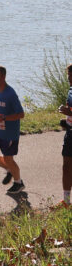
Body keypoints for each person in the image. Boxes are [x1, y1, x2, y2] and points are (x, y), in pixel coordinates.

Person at [0, 65, 25, 195]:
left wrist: (3, 117)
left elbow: (21, 114)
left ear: (3, 77)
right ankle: (9, 170)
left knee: (9, 159)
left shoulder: (11, 94)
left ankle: (19, 183)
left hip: (9, 134)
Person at [59, 63, 72, 207]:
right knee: (66, 167)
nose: (69, 78)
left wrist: (69, 112)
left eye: (71, 75)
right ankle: (66, 201)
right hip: (70, 133)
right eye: (68, 75)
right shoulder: (70, 90)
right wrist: (66, 118)